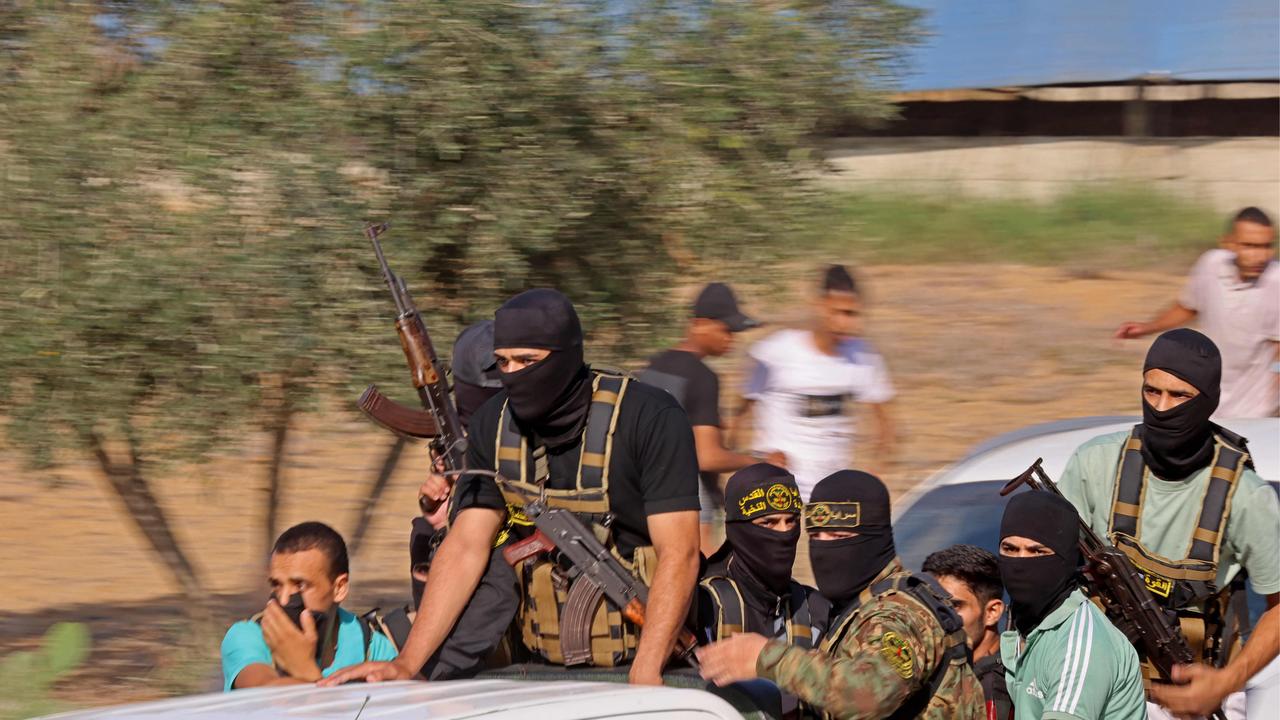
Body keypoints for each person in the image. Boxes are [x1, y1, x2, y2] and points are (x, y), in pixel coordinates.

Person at [324, 288, 701, 686]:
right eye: (503, 362)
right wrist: (407, 663)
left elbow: (681, 552)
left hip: (650, 661)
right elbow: (467, 546)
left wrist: (646, 672)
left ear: (568, 356)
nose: (515, 373)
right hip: (538, 666)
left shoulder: (649, 417)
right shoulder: (494, 424)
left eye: (528, 361)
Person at [1057, 328, 1280, 718]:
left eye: (1179, 396)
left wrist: (1225, 683)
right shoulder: (1096, 463)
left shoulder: (1245, 496)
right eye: (1151, 391)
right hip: (1095, 682)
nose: (1161, 407)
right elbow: (1047, 562)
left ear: (1208, 401)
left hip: (1196, 696)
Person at [696, 470, 983, 720]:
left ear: (875, 539)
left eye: (839, 538)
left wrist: (766, 657)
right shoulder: (858, 606)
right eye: (817, 535)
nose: (825, 549)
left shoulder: (898, 613)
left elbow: (869, 694)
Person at [640, 282, 785, 555]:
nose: (731, 338)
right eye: (725, 329)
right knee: (704, 581)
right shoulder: (703, 377)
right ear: (700, 324)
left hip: (646, 498)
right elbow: (707, 457)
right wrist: (762, 462)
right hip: (691, 503)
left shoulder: (652, 367)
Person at [738, 265, 896, 503]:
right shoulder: (776, 351)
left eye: (853, 314)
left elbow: (886, 424)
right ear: (818, 306)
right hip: (776, 486)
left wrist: (876, 472)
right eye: (839, 312)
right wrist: (747, 465)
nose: (846, 323)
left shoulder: (865, 356)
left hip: (832, 492)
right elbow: (740, 415)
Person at [1115, 206, 1278, 418]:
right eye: (1249, 246)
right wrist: (1147, 328)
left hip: (1255, 411)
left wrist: (1272, 405)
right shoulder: (1211, 264)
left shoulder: (1276, 282)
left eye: (1266, 247)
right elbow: (1189, 306)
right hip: (1207, 400)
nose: (1260, 256)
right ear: (1228, 244)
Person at [998, 491, 1146, 720]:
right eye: (1010, 549)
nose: (1020, 562)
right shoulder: (1021, 626)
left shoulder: (1078, 644)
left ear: (1066, 560)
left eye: (1037, 551)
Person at [220, 522, 397, 690]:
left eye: (300, 585)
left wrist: (305, 669)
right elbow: (264, 689)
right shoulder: (248, 636)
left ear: (339, 588)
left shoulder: (370, 646)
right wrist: (299, 664)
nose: (283, 600)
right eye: (276, 584)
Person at [697, 463, 825, 646]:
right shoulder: (705, 605)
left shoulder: (815, 609)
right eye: (768, 523)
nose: (784, 532)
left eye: (791, 521)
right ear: (739, 530)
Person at [922, 545, 1010, 720]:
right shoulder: (932, 668)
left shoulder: (993, 689)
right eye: (930, 603)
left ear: (992, 612)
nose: (937, 616)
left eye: (954, 606)